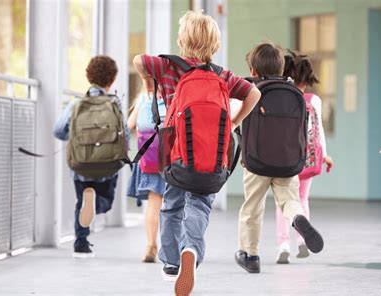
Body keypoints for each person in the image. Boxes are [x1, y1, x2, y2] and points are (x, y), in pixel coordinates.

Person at [133, 11, 261, 295]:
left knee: (172, 205)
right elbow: (254, 94)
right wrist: (233, 123)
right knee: (200, 205)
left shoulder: (166, 67)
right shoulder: (222, 76)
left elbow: (139, 60)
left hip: (176, 155)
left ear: (182, 40)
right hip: (212, 158)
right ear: (214, 45)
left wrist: (148, 84)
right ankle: (190, 248)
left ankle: (170, 263)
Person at [235, 42, 324, 274]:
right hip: (287, 161)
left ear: (253, 70)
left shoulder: (250, 89)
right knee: (289, 200)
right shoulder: (294, 91)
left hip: (256, 162)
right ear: (281, 68)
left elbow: (234, 117)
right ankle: (297, 217)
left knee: (252, 207)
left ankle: (250, 255)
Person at [53, 55, 129, 258]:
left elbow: (59, 131)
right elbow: (125, 135)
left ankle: (81, 244)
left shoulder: (76, 104)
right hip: (108, 164)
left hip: (81, 163)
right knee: (105, 200)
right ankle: (97, 204)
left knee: (81, 201)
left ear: (89, 77)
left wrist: (77, 137)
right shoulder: (115, 103)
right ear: (111, 80)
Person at [274, 50, 334, 263]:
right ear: (307, 79)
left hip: (285, 159)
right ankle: (302, 240)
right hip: (307, 159)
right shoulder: (314, 100)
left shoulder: (282, 98)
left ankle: (283, 244)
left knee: (283, 202)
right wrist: (325, 155)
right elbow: (319, 131)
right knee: (301, 199)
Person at [126, 88, 166, 263]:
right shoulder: (175, 94)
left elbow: (130, 124)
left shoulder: (144, 97)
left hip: (151, 158)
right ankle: (176, 247)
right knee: (178, 205)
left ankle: (151, 245)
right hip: (174, 159)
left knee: (153, 204)